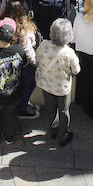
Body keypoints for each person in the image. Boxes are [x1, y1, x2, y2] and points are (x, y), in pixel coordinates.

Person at [35, 18, 81, 146]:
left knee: (51, 109)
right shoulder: (69, 53)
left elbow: (37, 59)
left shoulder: (44, 44)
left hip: (46, 84)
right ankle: (63, 134)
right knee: (63, 111)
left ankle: (53, 129)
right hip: (62, 88)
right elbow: (76, 70)